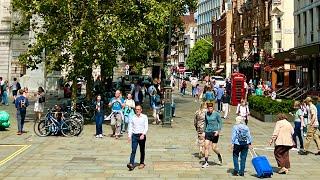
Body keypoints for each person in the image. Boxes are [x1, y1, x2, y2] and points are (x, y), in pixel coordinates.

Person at [127, 105, 148, 171]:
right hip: (134, 136)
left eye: (138, 109)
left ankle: (142, 163)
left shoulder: (144, 117)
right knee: (133, 150)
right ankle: (131, 163)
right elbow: (130, 127)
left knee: (142, 150)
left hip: (142, 135)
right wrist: (129, 136)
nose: (137, 110)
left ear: (141, 110)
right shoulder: (132, 117)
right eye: (136, 109)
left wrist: (143, 134)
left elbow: (146, 127)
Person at [202, 102, 223, 168]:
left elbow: (220, 122)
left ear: (213, 108)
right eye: (209, 108)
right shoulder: (206, 114)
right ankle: (206, 162)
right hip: (208, 131)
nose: (210, 109)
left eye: (211, 108)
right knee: (206, 147)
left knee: (214, 148)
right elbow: (205, 122)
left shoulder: (216, 114)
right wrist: (204, 131)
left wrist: (218, 131)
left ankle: (219, 155)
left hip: (215, 132)